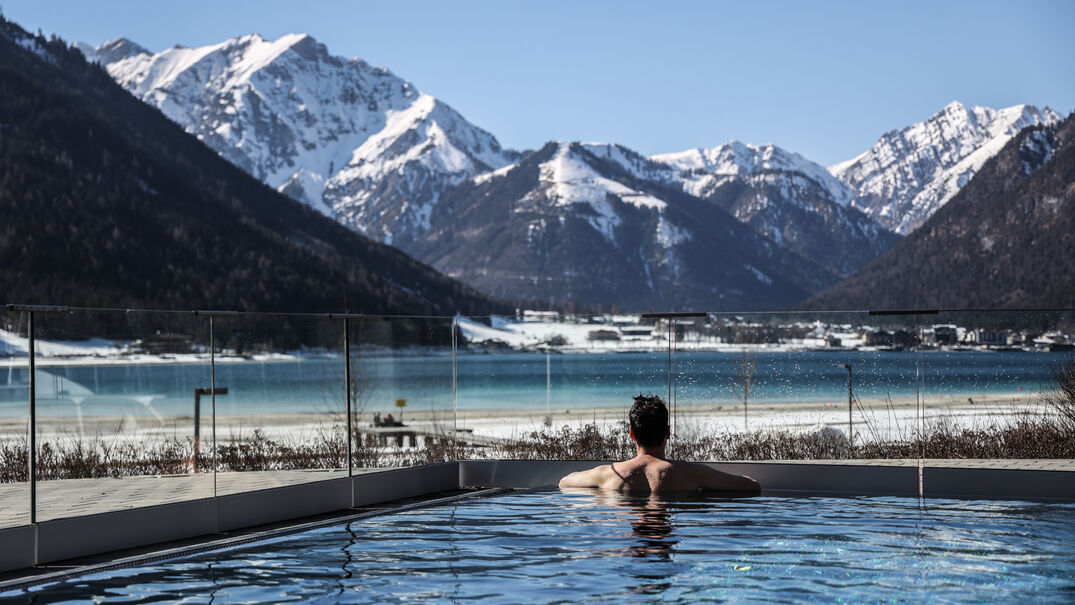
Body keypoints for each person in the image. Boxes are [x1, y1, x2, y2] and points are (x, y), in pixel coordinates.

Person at [558, 394, 760, 493]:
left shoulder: (607, 474)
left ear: (631, 434)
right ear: (668, 433)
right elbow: (752, 486)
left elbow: (564, 482)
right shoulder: (691, 473)